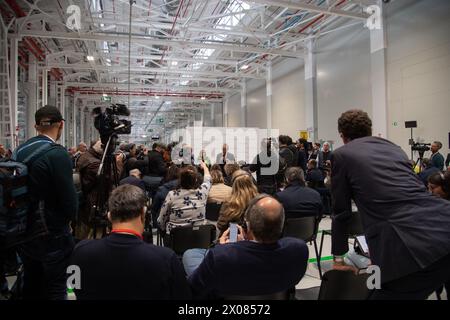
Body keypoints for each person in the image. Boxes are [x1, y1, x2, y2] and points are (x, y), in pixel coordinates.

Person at [331, 109, 450, 300]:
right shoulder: (394, 148)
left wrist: (338, 258)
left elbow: (341, 212)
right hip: (443, 220)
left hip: (407, 245)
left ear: (343, 137)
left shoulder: (342, 155)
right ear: (369, 130)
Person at [70, 184, 191, 300]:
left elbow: (73, 287)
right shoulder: (166, 259)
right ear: (144, 213)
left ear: (109, 216)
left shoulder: (80, 252)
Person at [184, 194, 309, 299]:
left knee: (190, 254)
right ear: (282, 224)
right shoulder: (299, 250)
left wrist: (226, 248)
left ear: (248, 225)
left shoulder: (219, 256)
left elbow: (194, 289)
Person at [12, 105, 78, 300]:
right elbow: (69, 201)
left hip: (23, 229)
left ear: (35, 126)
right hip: (53, 231)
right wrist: (70, 221)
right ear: (61, 125)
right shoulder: (57, 154)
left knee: (31, 282)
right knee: (57, 285)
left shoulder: (20, 150)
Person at [157, 162, 211, 235]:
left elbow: (161, 220)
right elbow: (208, 179)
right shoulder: (202, 192)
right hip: (199, 238)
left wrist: (164, 229)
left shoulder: (172, 195)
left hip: (176, 240)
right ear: (195, 180)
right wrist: (205, 167)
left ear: (180, 181)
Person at [216, 170, 259, 236]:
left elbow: (221, 225)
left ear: (233, 185)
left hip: (233, 237)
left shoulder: (229, 203)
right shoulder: (261, 201)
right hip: (257, 238)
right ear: (251, 182)